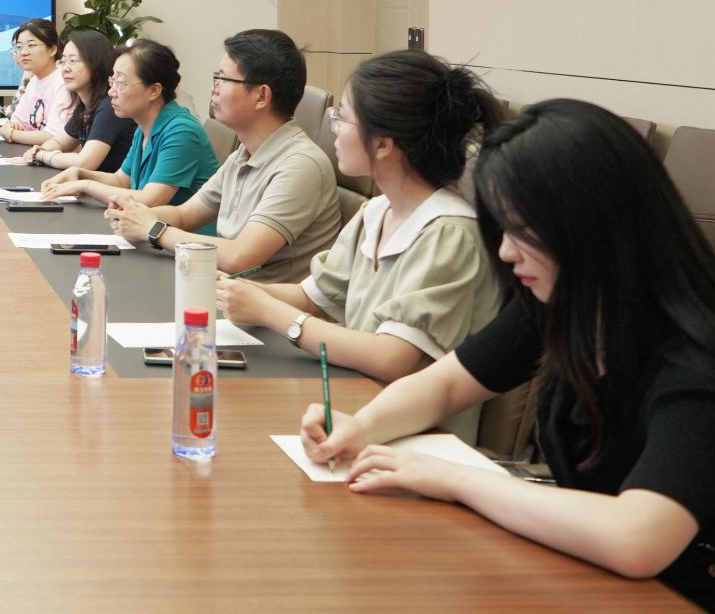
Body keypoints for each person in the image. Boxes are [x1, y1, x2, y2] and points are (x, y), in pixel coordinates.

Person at [250, 100, 715, 614]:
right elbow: (448, 381)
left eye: (521, 230)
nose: (504, 250)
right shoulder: (572, 301)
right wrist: (361, 427)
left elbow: (638, 537)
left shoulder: (704, 363)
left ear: (593, 225)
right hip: (607, 602)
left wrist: (456, 480)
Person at [211, 52, 502, 429]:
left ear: (382, 144)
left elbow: (391, 357)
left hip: (415, 438)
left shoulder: (449, 233)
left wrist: (268, 311)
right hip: (357, 409)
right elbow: (314, 296)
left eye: (342, 117)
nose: (333, 129)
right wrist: (233, 290)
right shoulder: (376, 211)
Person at [105, 30, 340, 285]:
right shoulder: (244, 154)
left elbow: (239, 256)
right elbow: (184, 215)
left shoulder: (300, 165)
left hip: (260, 302)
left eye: (223, 79)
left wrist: (152, 229)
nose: (213, 89)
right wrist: (136, 215)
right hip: (223, 289)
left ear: (261, 96)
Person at [39, 39, 217, 207]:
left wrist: (85, 186)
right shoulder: (144, 126)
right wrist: (80, 174)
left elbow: (149, 200)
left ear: (154, 91)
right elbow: (121, 180)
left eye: (120, 83)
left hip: (180, 229)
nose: (111, 92)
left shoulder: (182, 131)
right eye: (112, 81)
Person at [12, 29, 135, 173]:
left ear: (96, 65)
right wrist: (40, 150)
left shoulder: (110, 106)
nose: (65, 68)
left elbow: (84, 163)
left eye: (73, 61)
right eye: (63, 61)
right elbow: (59, 142)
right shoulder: (85, 105)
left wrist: (44, 156)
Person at [0, 20, 71, 147]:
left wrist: (11, 134)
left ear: (52, 49)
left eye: (31, 45)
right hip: (32, 152)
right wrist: (12, 129)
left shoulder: (64, 81)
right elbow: (15, 121)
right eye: (19, 47)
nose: (23, 52)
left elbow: (53, 136)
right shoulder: (34, 81)